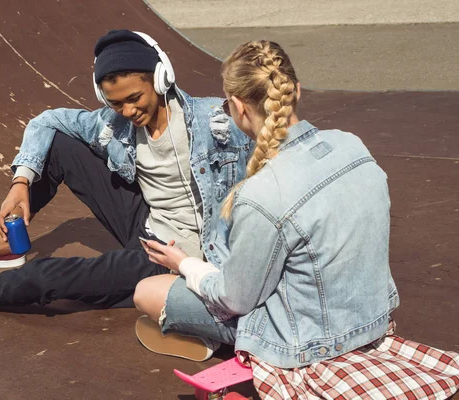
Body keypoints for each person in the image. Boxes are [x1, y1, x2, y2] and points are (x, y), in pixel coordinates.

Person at [0, 29, 252, 358]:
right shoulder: (115, 123)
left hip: (175, 255)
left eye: (134, 98)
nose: (128, 110)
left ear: (161, 77)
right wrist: (20, 183)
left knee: (48, 278)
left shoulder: (216, 124)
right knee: (58, 143)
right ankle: (7, 242)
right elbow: (46, 121)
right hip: (149, 222)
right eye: (115, 103)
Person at [133, 40, 459, 399]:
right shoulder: (352, 145)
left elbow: (235, 300)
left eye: (227, 105)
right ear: (296, 91)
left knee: (147, 292)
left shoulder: (262, 193)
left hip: (306, 342)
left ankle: (215, 341)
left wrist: (186, 264)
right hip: (369, 322)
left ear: (239, 108)